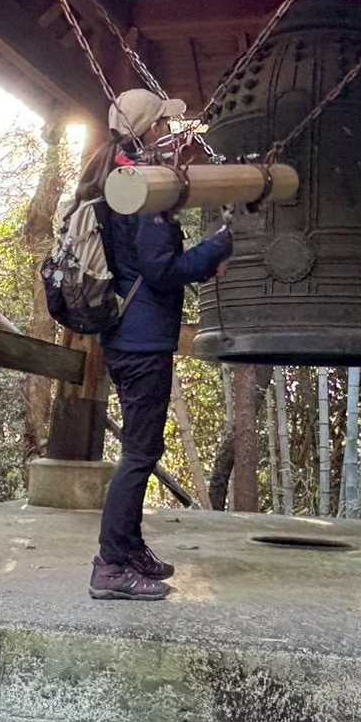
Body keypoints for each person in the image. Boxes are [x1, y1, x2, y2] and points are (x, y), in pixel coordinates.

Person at [83, 89, 232, 601]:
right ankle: (109, 566)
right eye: (163, 124)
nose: (169, 133)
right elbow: (162, 269)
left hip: (129, 335)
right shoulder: (140, 188)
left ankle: (128, 549)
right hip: (142, 340)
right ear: (148, 130)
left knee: (142, 449)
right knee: (140, 453)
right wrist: (220, 244)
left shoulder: (116, 176)